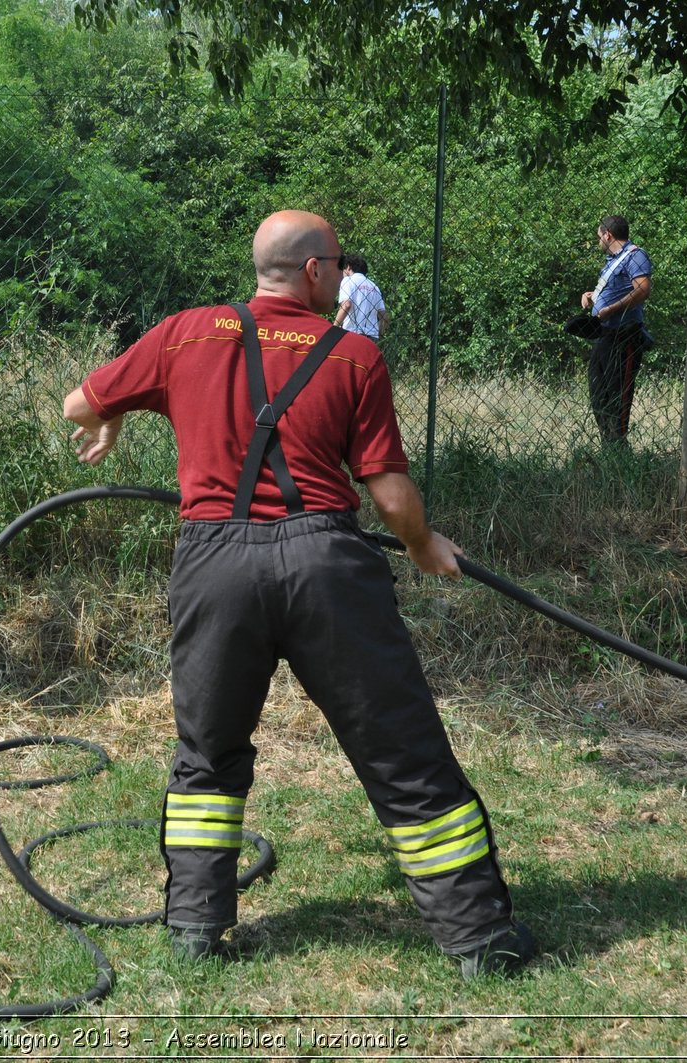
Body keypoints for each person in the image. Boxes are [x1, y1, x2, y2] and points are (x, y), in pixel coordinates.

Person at [62, 210, 536, 979]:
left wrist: (114, 416)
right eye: (341, 263)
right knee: (401, 748)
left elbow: (76, 405)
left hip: (213, 567)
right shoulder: (353, 357)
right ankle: (480, 938)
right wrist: (422, 545)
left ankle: (192, 927)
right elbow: (388, 493)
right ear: (314, 271)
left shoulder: (184, 333)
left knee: (208, 753)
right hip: (327, 565)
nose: (345, 276)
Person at [575, 215, 654, 443]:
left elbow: (643, 290)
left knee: (617, 398)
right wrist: (594, 296)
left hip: (624, 337)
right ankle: (608, 446)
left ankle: (618, 449)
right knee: (599, 396)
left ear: (607, 235)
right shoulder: (613, 261)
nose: (599, 242)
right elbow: (618, 289)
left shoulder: (636, 256)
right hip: (604, 336)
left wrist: (610, 309)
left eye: (599, 237)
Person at [333, 253, 389, 342]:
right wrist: (379, 334)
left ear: (348, 267)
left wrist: (333, 329)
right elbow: (384, 317)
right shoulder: (374, 287)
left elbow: (346, 305)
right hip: (372, 337)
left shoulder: (348, 280)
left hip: (352, 334)